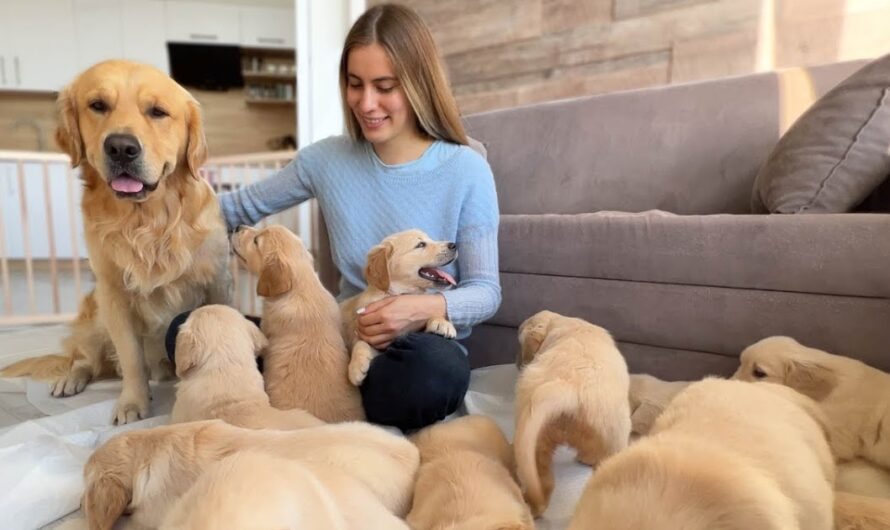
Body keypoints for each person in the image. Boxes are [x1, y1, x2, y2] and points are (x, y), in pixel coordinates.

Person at [170, 3, 501, 432]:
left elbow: (486, 291)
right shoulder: (326, 159)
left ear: (419, 84)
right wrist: (160, 194)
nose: (366, 103)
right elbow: (232, 211)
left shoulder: (466, 168)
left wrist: (420, 307)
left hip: (412, 348)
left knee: (434, 374)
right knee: (187, 331)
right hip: (329, 338)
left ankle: (311, 396)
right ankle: (316, 389)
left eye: (385, 87)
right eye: (354, 84)